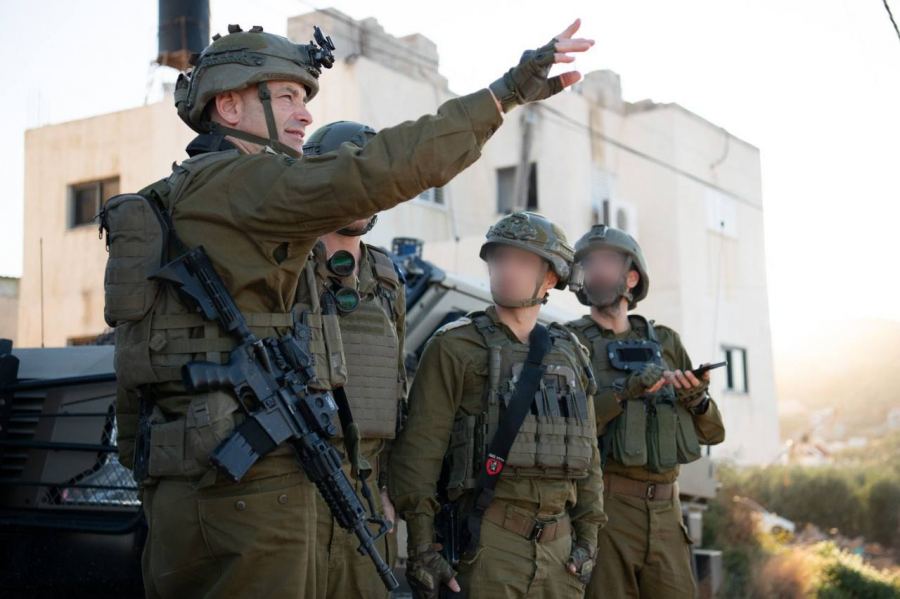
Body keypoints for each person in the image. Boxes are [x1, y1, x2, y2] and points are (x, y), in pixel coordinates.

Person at [104, 19, 595, 599]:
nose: (304, 114)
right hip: (249, 494)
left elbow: (138, 366)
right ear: (229, 106)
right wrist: (503, 94)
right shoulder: (245, 184)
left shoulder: (172, 196)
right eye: (287, 96)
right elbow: (375, 170)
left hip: (186, 485)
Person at [390, 212, 606, 599]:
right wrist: (422, 547)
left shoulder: (571, 353)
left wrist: (588, 541)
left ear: (551, 277)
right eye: (499, 259)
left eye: (521, 262)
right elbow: (419, 454)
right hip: (488, 545)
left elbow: (588, 458)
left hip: (561, 554)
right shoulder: (454, 346)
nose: (506, 271)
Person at [565, 224, 726, 599]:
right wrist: (624, 393)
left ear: (632, 277)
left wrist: (696, 398)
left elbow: (714, 432)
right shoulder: (568, 342)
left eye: (607, 262)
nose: (596, 270)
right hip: (606, 509)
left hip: (668, 509)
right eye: (588, 264)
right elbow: (568, 426)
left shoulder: (665, 341)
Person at [299, 121, 407, 599]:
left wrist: (386, 490)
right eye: (351, 178)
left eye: (373, 181)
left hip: (365, 492)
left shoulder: (386, 277)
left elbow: (396, 386)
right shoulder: (285, 267)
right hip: (295, 485)